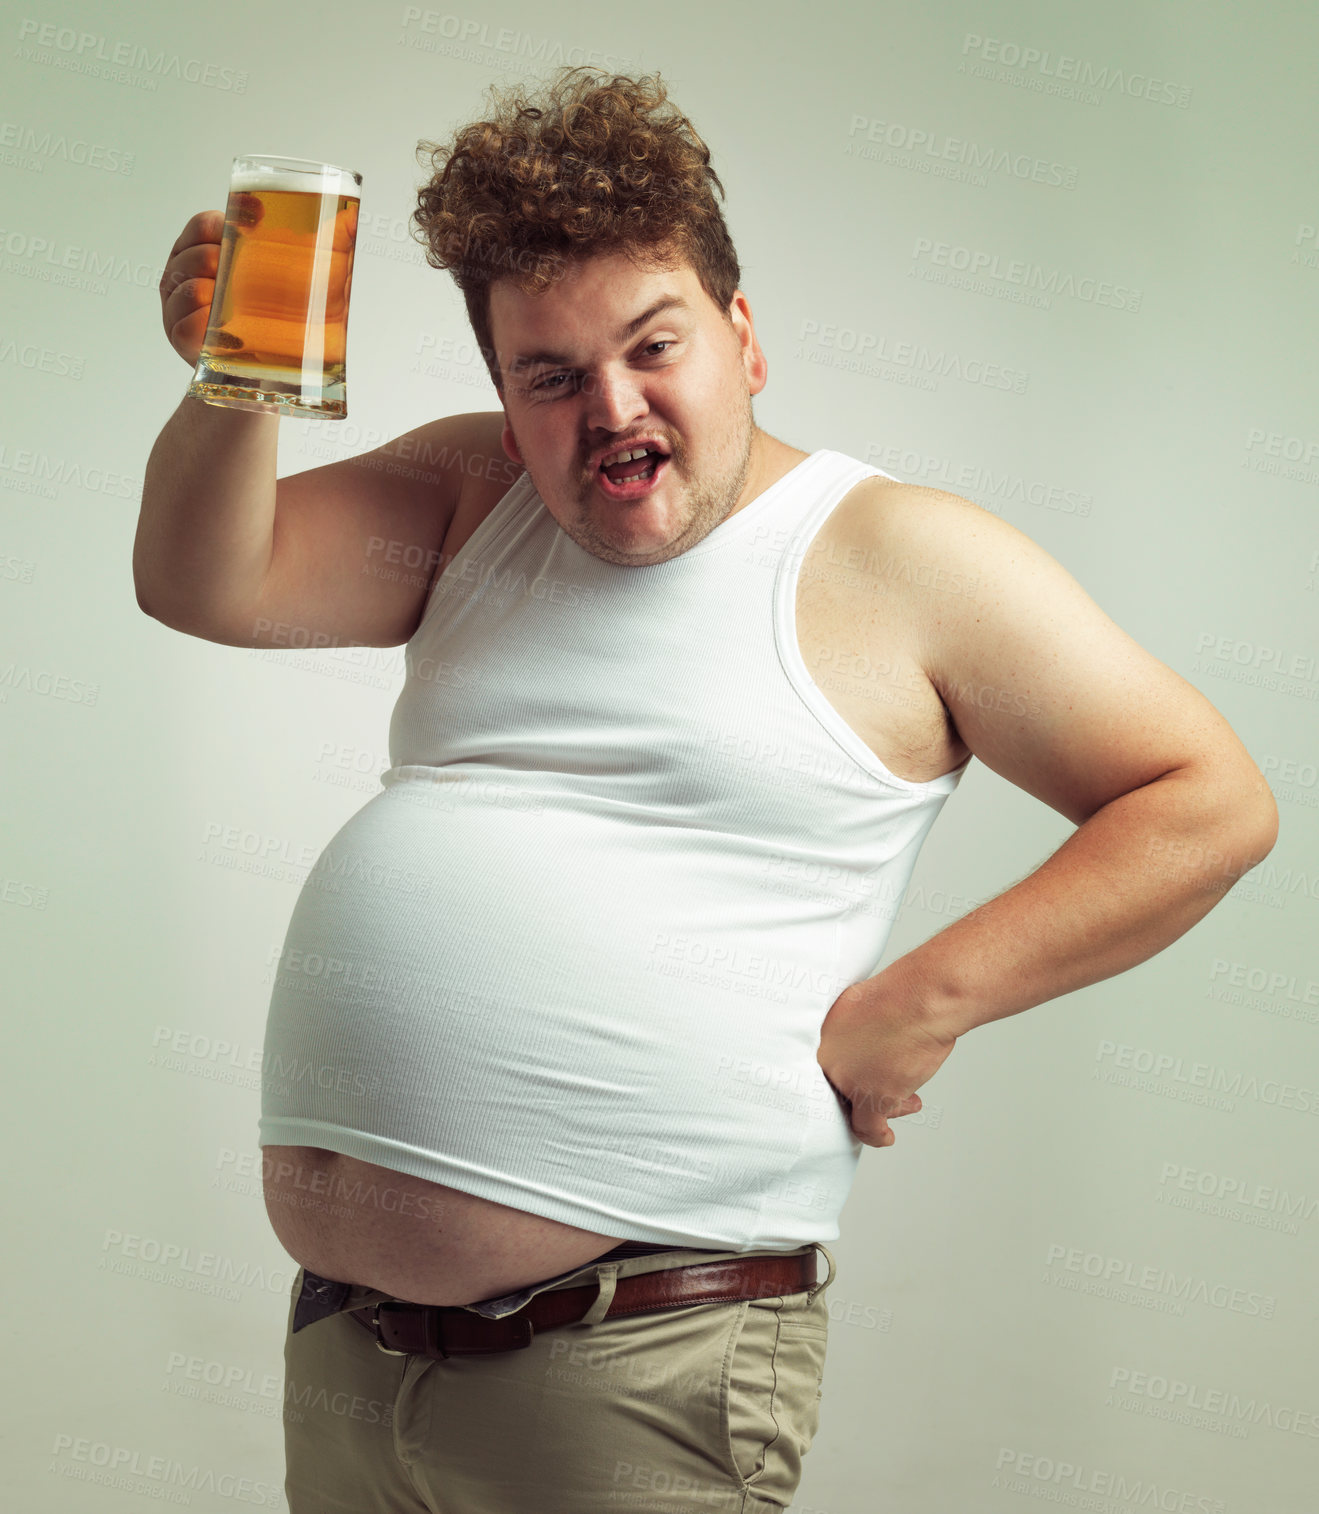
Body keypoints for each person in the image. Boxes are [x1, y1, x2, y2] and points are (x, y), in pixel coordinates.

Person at [138, 66, 1278, 1514]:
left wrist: (916, 1002)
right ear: (502, 398)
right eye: (549, 375)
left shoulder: (902, 557)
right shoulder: (470, 498)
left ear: (742, 335)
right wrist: (232, 376)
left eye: (651, 345)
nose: (609, 406)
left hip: (634, 1359)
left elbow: (1208, 795)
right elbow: (205, 578)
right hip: (353, 1357)